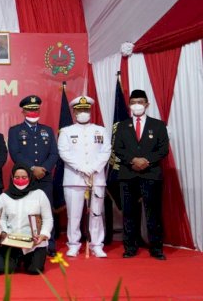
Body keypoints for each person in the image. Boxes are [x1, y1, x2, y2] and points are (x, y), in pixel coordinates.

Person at [114, 89, 169, 260]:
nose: (136, 105)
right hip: (128, 174)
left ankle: (157, 249)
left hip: (151, 174)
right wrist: (133, 161)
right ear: (130, 105)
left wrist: (146, 161)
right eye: (133, 102)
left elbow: (163, 149)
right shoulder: (122, 125)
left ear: (147, 104)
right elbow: (117, 149)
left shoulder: (158, 125)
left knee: (153, 213)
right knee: (129, 213)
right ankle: (130, 247)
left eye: (140, 101)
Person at [58, 96, 111, 258]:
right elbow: (64, 152)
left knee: (96, 213)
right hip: (74, 179)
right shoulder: (67, 131)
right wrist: (82, 168)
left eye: (86, 110)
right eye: (80, 110)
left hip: (96, 178)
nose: (83, 113)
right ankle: (73, 244)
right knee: (73, 215)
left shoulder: (100, 130)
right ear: (74, 112)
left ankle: (96, 244)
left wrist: (93, 168)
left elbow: (106, 151)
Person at [7, 95, 59, 255]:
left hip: (45, 177)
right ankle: (24, 239)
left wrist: (43, 169)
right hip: (24, 179)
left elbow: (54, 154)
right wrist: (31, 169)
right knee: (25, 209)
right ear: (23, 111)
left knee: (46, 210)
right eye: (29, 109)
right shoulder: (15, 130)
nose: (33, 112)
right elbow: (15, 153)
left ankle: (48, 242)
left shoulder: (48, 130)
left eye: (36, 109)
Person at [0, 165, 53, 275]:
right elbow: (1, 219)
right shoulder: (4, 197)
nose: (20, 180)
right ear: (12, 178)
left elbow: (48, 219)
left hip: (34, 243)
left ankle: (28, 258)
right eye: (17, 177)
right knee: (9, 269)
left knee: (34, 270)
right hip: (12, 241)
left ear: (30, 177)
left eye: (24, 177)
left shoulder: (39, 194)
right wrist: (4, 232)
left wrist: (43, 234)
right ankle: (18, 259)